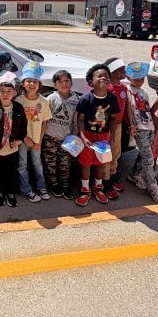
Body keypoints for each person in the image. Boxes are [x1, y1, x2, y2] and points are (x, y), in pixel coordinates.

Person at [75, 63, 120, 206]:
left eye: (106, 76)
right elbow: (80, 120)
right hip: (88, 135)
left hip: (103, 136)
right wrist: (83, 137)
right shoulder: (85, 99)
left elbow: (113, 118)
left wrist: (112, 135)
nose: (103, 78)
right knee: (86, 164)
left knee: (101, 163)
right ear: (90, 82)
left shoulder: (112, 99)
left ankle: (98, 187)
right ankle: (85, 189)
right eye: (99, 76)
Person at [123, 62, 158, 204]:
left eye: (142, 78)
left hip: (149, 126)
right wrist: (131, 125)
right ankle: (153, 186)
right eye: (136, 79)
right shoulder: (127, 90)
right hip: (139, 128)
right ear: (128, 77)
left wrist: (157, 124)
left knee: (145, 154)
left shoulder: (144, 92)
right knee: (149, 159)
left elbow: (147, 110)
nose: (140, 81)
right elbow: (128, 108)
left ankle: (134, 174)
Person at [0, 72, 27, 207]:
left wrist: (20, 139)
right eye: (2, 91)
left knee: (11, 170)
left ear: (14, 93)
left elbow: (23, 126)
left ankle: (10, 192)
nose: (5, 94)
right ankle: (0, 192)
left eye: (9, 91)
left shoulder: (18, 108)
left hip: (12, 147)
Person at [15, 61, 53, 202]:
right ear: (23, 83)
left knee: (37, 163)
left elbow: (44, 122)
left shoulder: (43, 102)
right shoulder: (19, 101)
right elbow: (17, 124)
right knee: (22, 164)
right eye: (28, 81)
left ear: (39, 85)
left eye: (34, 81)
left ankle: (41, 187)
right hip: (23, 139)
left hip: (37, 140)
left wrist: (39, 141)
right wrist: (25, 138)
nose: (31, 84)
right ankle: (26, 189)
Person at [42, 69, 79, 200]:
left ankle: (65, 183)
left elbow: (75, 120)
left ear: (71, 82)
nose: (64, 84)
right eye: (60, 81)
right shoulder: (51, 99)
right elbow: (44, 118)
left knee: (65, 163)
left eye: (66, 81)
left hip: (67, 139)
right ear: (55, 85)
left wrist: (74, 137)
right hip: (50, 136)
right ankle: (53, 183)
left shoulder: (76, 100)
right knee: (50, 162)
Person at [103, 58, 132, 196]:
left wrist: (131, 124)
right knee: (106, 153)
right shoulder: (107, 89)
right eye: (120, 70)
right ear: (112, 72)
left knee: (116, 153)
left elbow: (127, 108)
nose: (124, 72)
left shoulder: (124, 88)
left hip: (119, 126)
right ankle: (105, 180)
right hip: (108, 127)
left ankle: (113, 175)